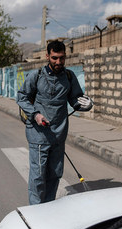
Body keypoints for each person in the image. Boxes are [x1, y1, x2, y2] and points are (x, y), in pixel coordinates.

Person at [16, 41, 93, 205]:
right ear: (47, 56)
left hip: (59, 134)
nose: (58, 62)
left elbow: (75, 99)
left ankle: (48, 206)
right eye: (54, 58)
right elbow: (21, 97)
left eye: (62, 58)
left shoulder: (69, 77)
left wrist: (84, 105)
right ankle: (36, 210)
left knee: (55, 173)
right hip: (38, 134)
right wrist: (36, 115)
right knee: (38, 175)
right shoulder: (36, 76)